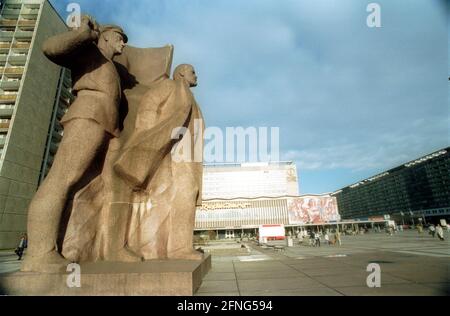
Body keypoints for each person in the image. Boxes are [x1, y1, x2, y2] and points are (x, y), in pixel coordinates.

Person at [22, 15, 127, 272]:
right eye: (119, 39)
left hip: (107, 126)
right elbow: (51, 48)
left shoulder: (111, 67)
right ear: (105, 36)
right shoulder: (88, 50)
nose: (123, 45)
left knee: (90, 187)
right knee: (62, 178)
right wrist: (82, 34)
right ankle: (39, 253)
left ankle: (86, 246)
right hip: (87, 116)